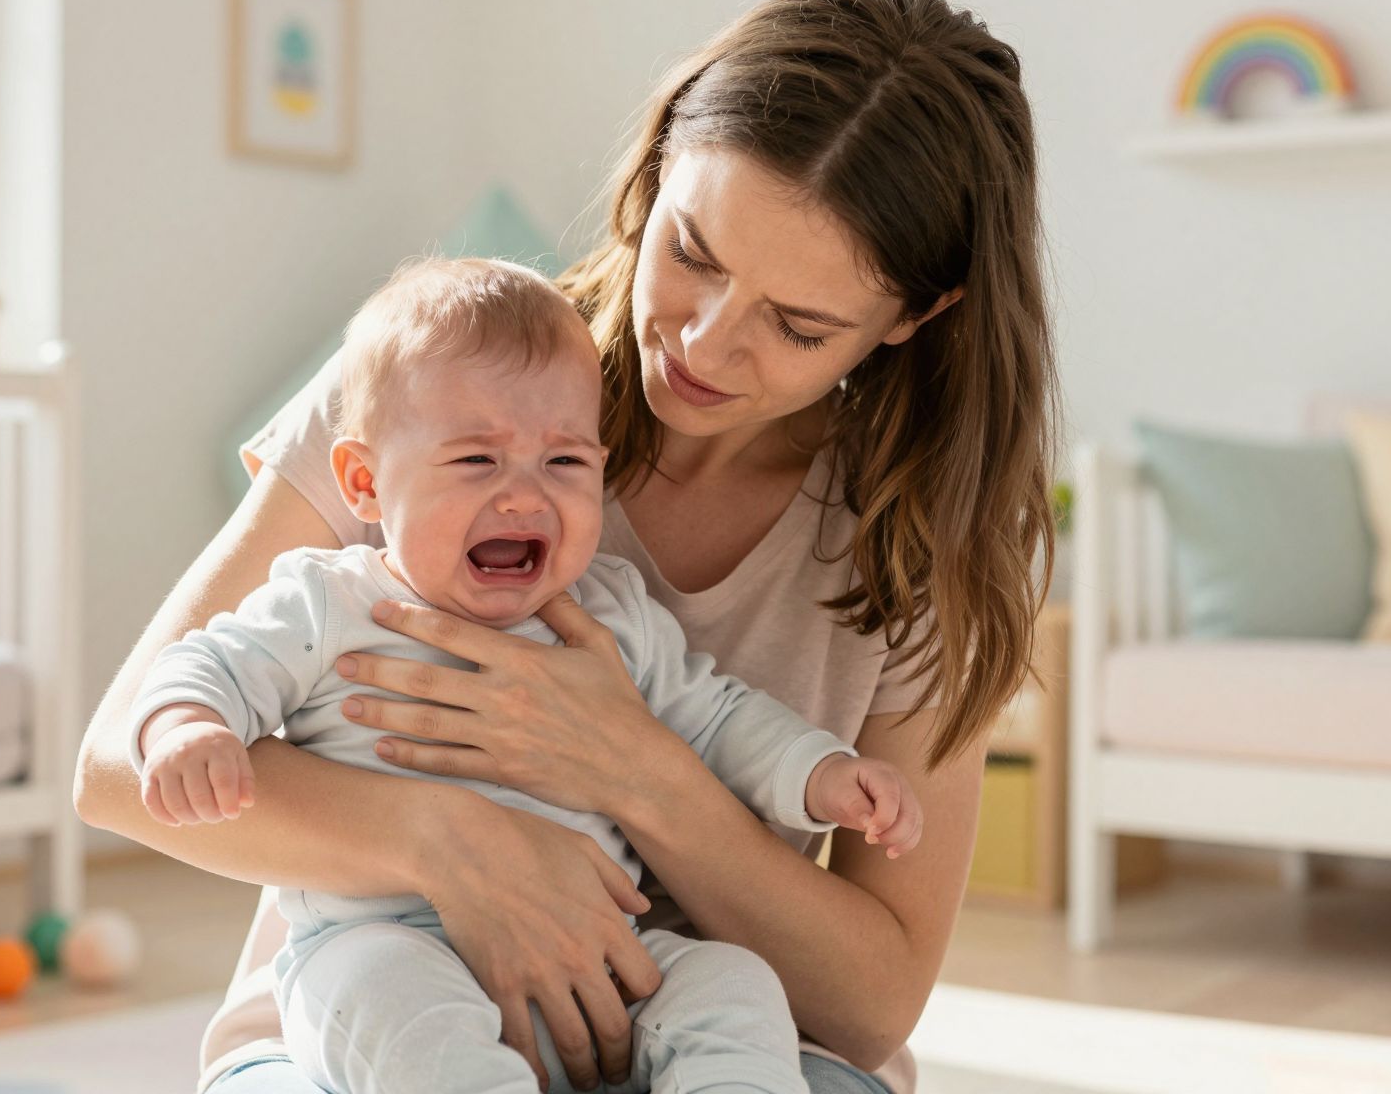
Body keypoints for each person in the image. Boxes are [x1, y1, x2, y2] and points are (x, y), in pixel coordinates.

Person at [73, 0, 1056, 1094]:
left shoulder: (915, 544)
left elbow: (871, 1007)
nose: (702, 340)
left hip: (701, 1027)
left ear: (914, 319)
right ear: (654, 172)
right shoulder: (432, 391)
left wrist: (638, 771)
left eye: (795, 325)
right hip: (375, 1021)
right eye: (691, 249)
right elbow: (115, 771)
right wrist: (457, 846)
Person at [132, 257, 921, 1094]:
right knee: (390, 999)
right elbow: (206, 662)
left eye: (566, 465)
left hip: (603, 955)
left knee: (731, 985)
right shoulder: (328, 603)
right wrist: (188, 723)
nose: (524, 498)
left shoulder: (608, 612)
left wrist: (819, 774)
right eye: (477, 461)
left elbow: (719, 718)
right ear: (365, 482)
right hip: (389, 941)